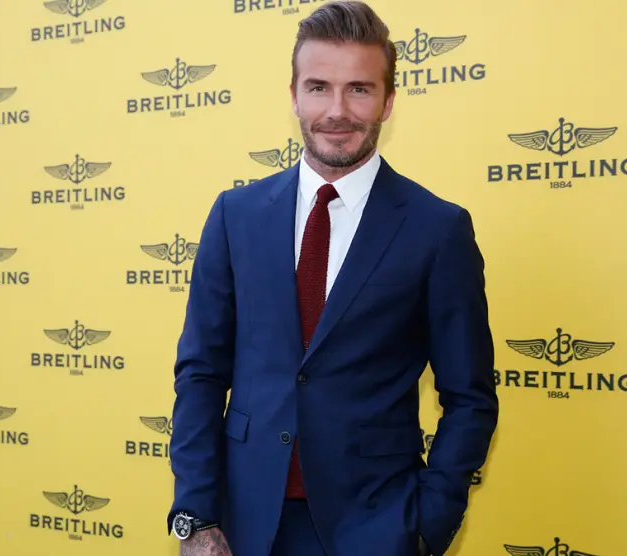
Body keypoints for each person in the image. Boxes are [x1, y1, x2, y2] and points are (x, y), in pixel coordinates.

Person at [166, 2, 498, 555]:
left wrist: (426, 525)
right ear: (294, 96)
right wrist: (197, 519)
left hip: (377, 526)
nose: (336, 111)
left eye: (359, 90)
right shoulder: (235, 215)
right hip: (241, 525)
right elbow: (201, 372)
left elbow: (470, 397)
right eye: (318, 87)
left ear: (387, 102)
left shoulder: (437, 229)